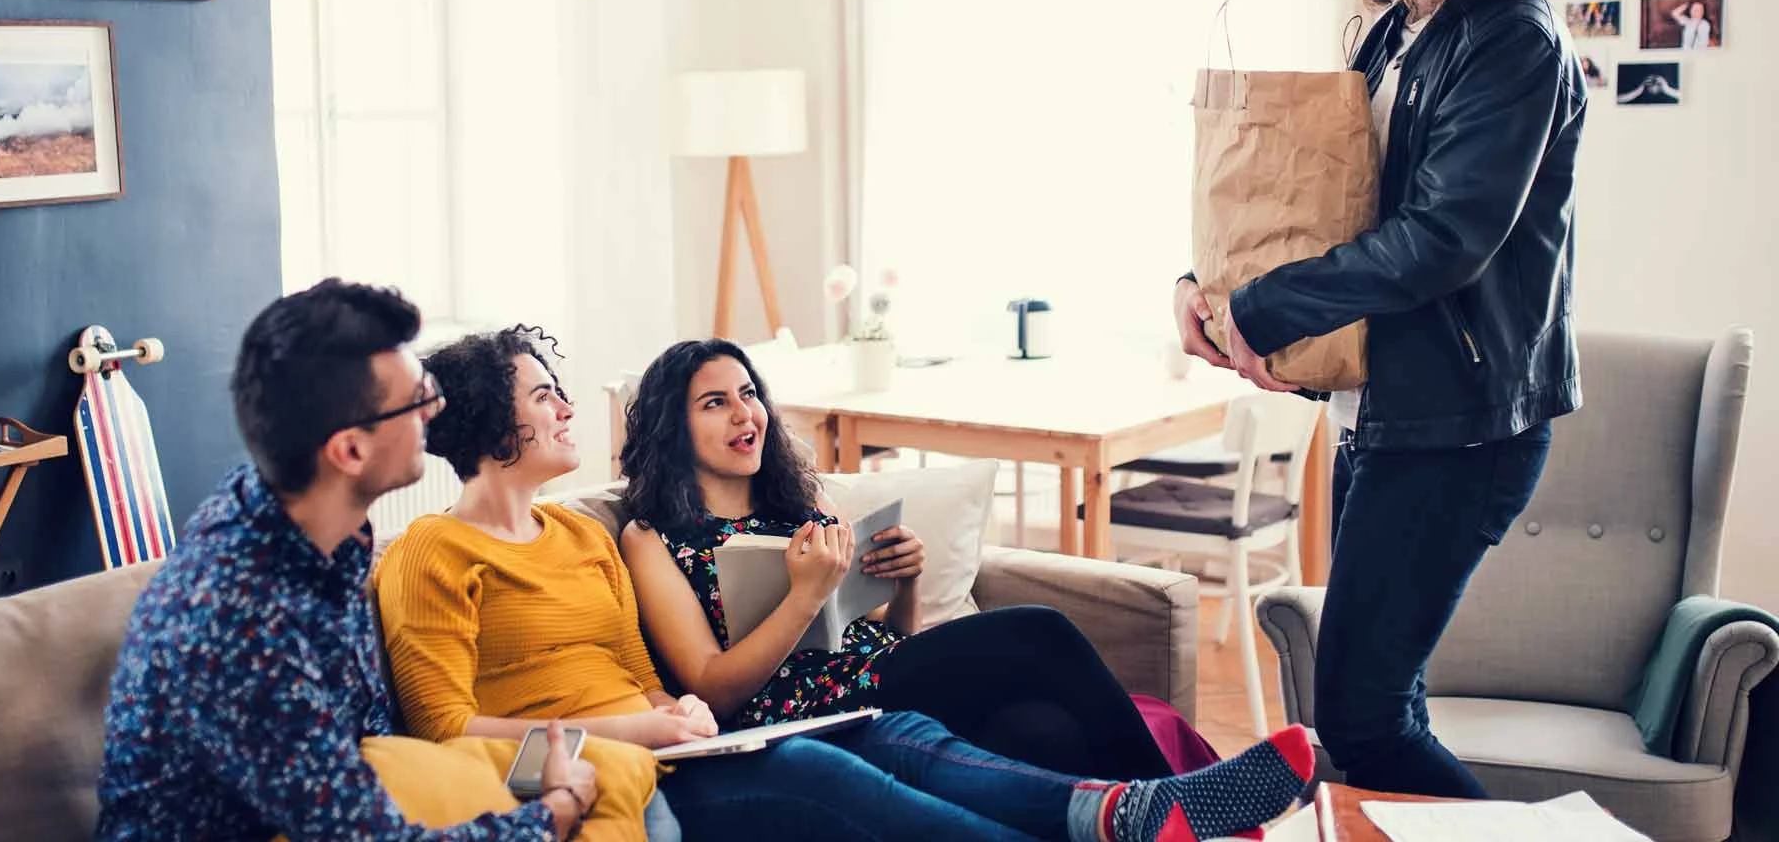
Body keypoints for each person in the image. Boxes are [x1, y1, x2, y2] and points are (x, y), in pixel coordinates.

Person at [377, 327, 1318, 842]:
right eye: (544, 394)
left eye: (749, 396)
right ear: (489, 422)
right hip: (657, 751)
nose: (567, 405)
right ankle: (1153, 809)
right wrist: (661, 719)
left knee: (976, 731)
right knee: (955, 688)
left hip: (711, 735)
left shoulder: (581, 538)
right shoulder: (436, 552)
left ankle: (1139, 812)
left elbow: (647, 677)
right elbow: (440, 727)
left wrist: (674, 711)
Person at [1172, 0, 1585, 800]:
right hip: (1387, 411)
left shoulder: (1513, 40)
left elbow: (1441, 240)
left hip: (1463, 427)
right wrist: (1207, 282)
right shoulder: (1398, 29)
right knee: (1383, 706)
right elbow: (1333, 212)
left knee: (1354, 716)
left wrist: (1257, 310)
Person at [95, 280, 635, 841]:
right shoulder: (244, 621)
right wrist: (556, 809)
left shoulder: (314, 529)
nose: (439, 407)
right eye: (418, 400)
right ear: (350, 450)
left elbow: (372, 760)